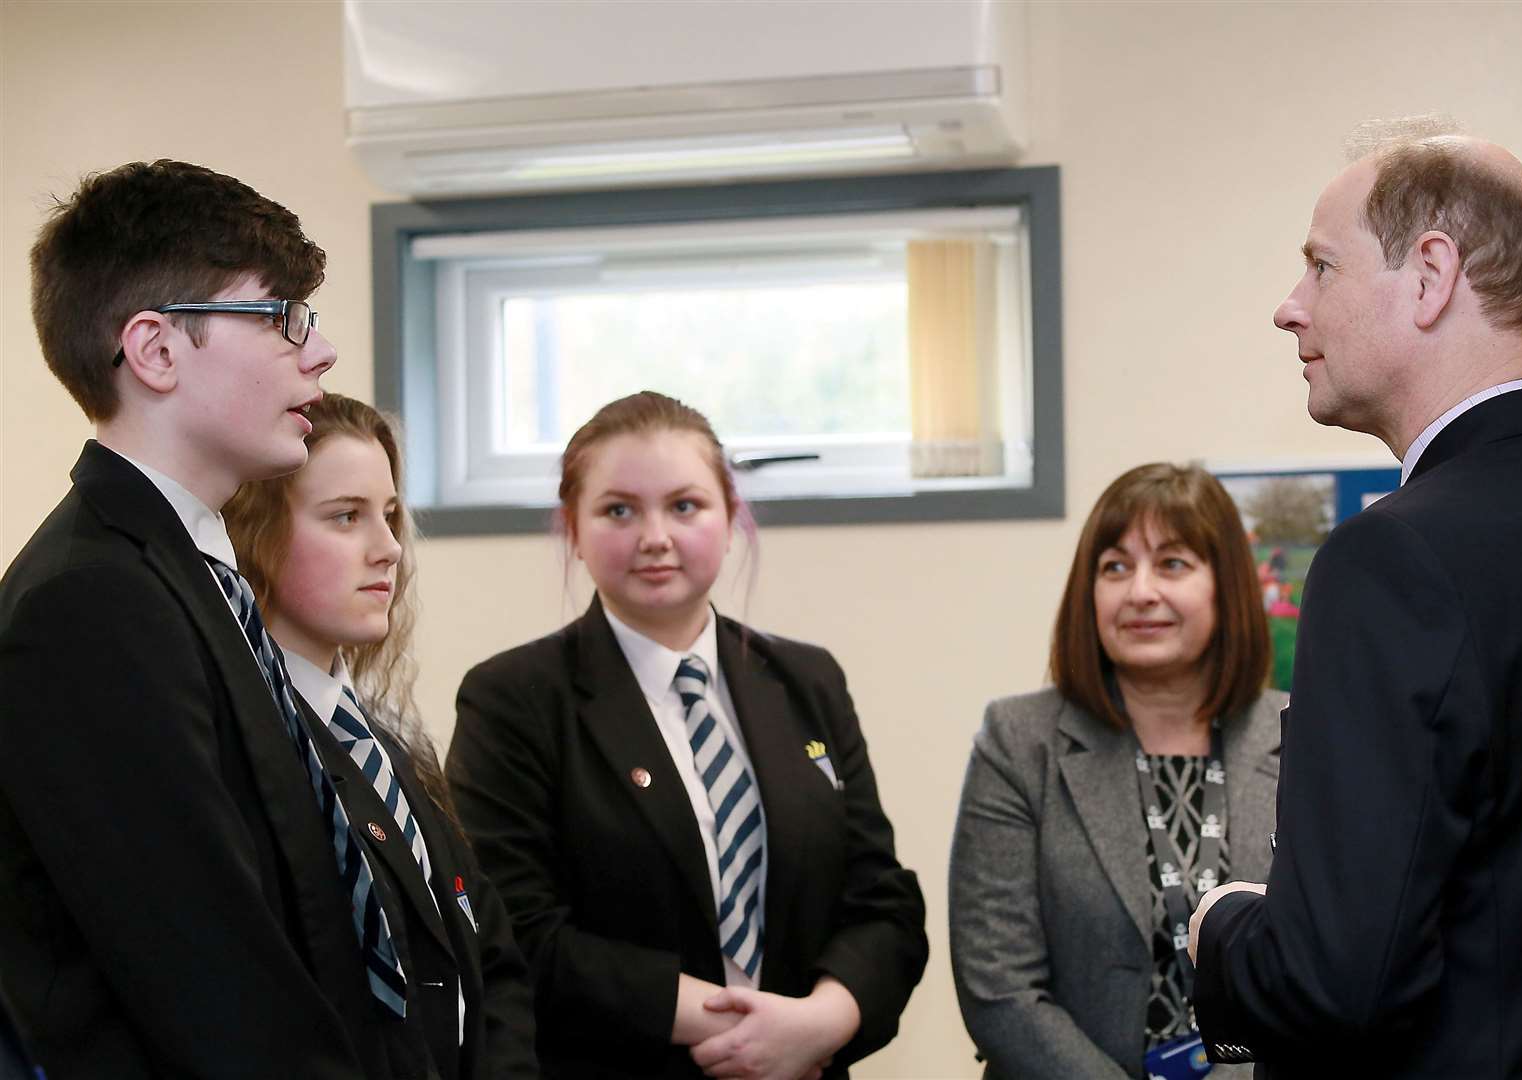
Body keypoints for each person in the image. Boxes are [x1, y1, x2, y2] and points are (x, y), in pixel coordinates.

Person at [1188, 123, 1522, 1077]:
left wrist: (1215, 934)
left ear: (1429, 276)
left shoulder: (1392, 559)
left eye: (1320, 268)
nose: (1288, 310)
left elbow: (1336, 987)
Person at [0, 160, 392, 1077]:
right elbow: (207, 969)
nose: (320, 352)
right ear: (158, 351)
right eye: (283, 316)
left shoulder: (187, 567)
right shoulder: (86, 602)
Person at [445, 390, 927, 1080]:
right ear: (573, 531)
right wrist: (742, 1027)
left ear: (731, 518)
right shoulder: (513, 698)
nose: (655, 538)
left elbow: (881, 901)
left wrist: (817, 1024)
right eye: (617, 510)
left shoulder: (806, 680)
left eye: (684, 505)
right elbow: (517, 928)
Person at [222, 393, 542, 1079]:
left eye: (390, 515)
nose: (389, 548)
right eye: (346, 517)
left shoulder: (388, 740)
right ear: (254, 531)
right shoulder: (247, 746)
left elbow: (491, 962)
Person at [950, 463, 1283, 1080]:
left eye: (1173, 563)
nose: (1140, 592)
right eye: (1115, 567)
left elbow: (1330, 961)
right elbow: (1000, 988)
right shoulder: (1019, 742)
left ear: (1227, 586)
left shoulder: (1303, 736)